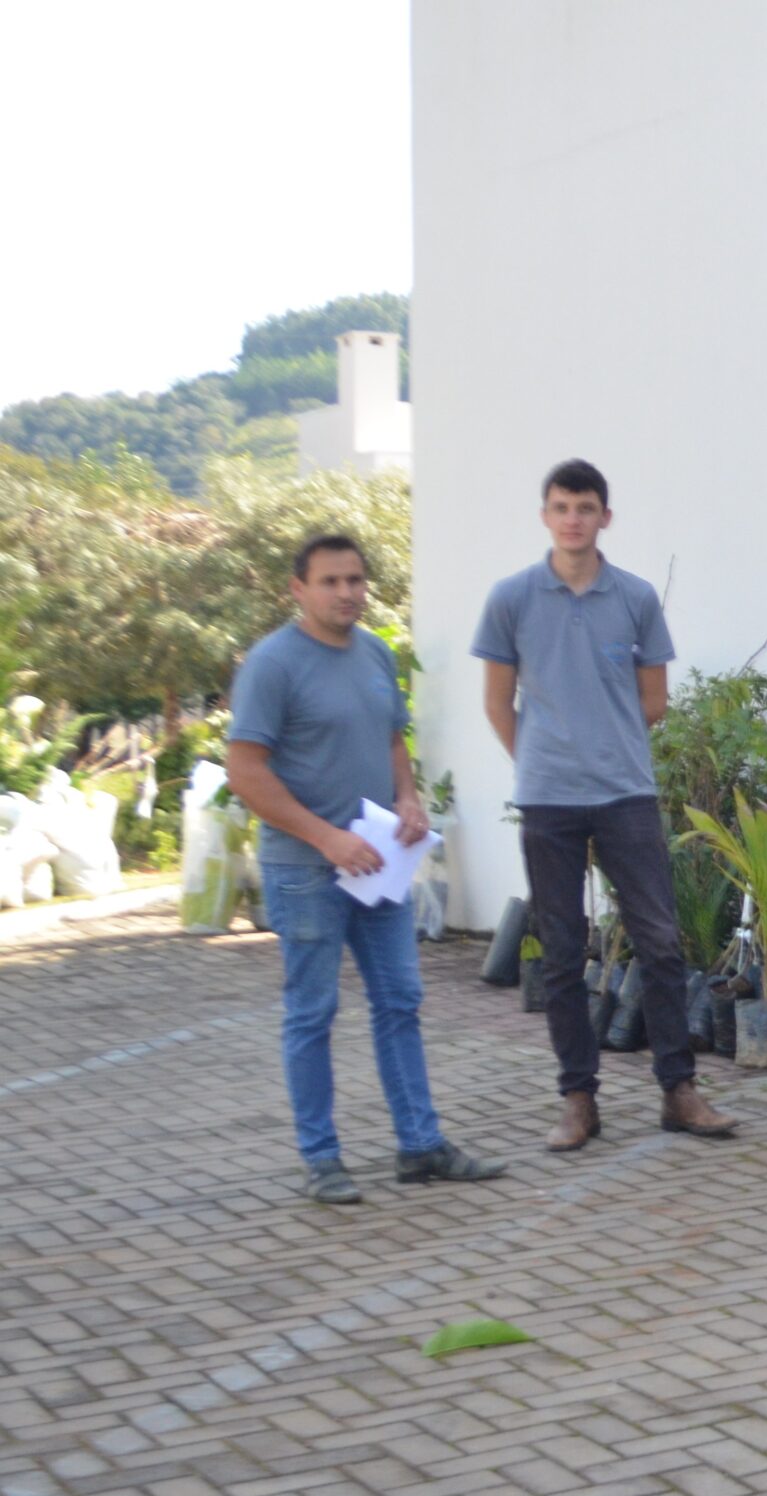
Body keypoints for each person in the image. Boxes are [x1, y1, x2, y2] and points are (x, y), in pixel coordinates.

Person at [226, 535, 508, 1203]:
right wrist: (326, 839)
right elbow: (245, 773)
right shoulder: (272, 664)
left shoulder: (377, 652)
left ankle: (420, 1146)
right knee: (312, 1013)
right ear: (297, 588)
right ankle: (322, 1160)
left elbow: (391, 738)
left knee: (401, 1003)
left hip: (378, 866)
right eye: (330, 581)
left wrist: (407, 798)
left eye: (355, 580)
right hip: (306, 870)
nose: (346, 592)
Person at [472, 459, 740, 1152]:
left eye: (585, 507)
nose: (573, 518)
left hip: (626, 793)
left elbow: (655, 699)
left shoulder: (636, 598)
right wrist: (541, 757)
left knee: (658, 941)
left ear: (605, 518)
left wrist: (604, 744)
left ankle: (678, 1091)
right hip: (548, 801)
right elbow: (498, 703)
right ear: (545, 516)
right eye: (561, 506)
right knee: (562, 951)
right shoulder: (511, 599)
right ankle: (578, 1099)